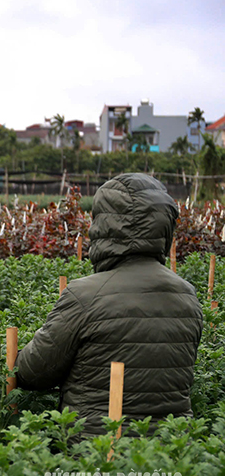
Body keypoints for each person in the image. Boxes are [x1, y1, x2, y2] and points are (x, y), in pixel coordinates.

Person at [15, 173, 203, 439]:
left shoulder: (85, 295)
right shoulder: (188, 295)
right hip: (171, 448)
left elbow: (32, 372)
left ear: (105, 227)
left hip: (98, 448)